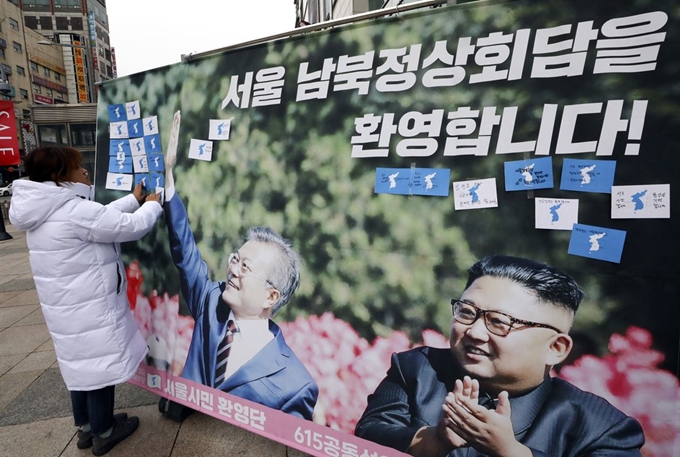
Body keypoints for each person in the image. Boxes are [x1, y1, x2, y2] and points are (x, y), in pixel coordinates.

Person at [355, 255, 645, 456]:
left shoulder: (603, 427)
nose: (475, 332)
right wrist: (432, 440)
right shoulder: (417, 369)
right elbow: (366, 437)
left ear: (555, 348)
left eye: (499, 322)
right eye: (467, 313)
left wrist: (511, 452)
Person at [161, 111, 318, 420]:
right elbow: (187, 255)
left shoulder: (296, 385)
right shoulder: (210, 304)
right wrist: (169, 180)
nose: (233, 269)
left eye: (247, 268)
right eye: (236, 259)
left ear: (271, 297)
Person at [9, 147, 163, 456]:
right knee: (98, 368)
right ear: (60, 176)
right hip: (90, 306)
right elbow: (126, 227)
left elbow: (101, 217)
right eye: (79, 168)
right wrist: (152, 207)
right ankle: (105, 431)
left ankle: (88, 426)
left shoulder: (44, 207)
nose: (85, 173)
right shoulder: (72, 210)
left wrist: (133, 200)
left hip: (66, 307)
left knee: (79, 367)